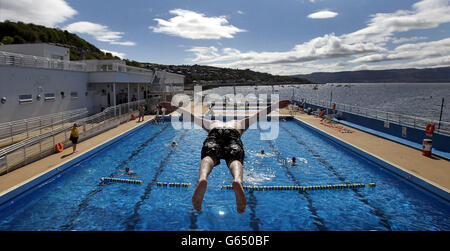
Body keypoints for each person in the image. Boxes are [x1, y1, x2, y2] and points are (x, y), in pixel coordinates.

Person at [173, 99, 291, 214]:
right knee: (235, 159)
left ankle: (203, 178)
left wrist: (174, 108)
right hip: (233, 134)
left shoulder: (211, 123)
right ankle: (237, 180)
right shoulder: (239, 122)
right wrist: (276, 105)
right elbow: (260, 114)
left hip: (214, 133)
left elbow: (191, 116)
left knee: (209, 156)